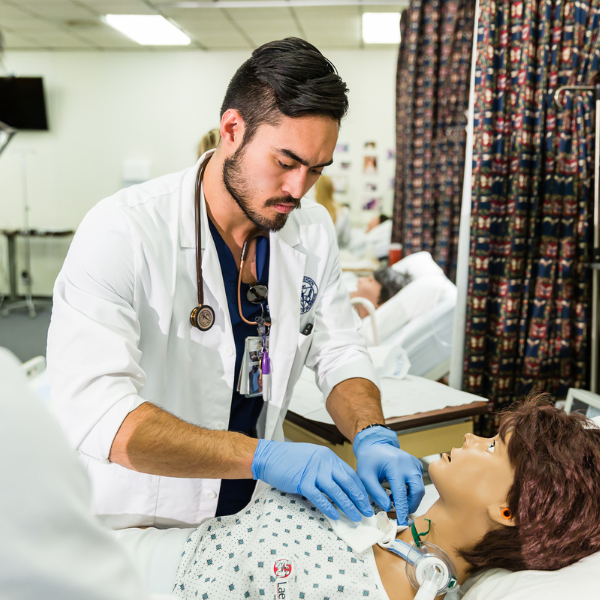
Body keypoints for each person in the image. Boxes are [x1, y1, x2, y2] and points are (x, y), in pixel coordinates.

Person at [46, 37, 424, 530]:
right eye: (285, 162)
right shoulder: (123, 231)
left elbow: (338, 352)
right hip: (142, 516)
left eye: (315, 170)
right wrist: (262, 456)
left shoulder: (311, 232)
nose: (298, 189)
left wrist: (371, 433)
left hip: (254, 512)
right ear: (231, 129)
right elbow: (102, 416)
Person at [154, 394, 600, 598]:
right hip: (152, 540)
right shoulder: (378, 511)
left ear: (508, 510)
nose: (469, 435)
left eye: (491, 445)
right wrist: (371, 434)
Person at [315, 174, 351, 248]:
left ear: (315, 189)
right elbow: (346, 239)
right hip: (337, 251)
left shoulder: (309, 210)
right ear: (332, 189)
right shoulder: (344, 211)